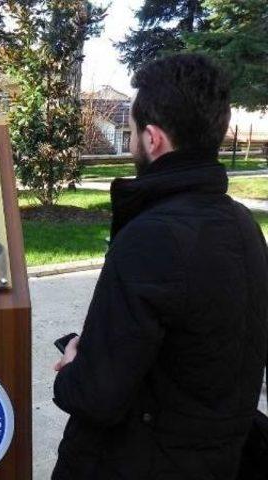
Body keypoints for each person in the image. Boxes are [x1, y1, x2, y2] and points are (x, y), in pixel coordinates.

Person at [52, 54, 268, 479]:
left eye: (130, 132)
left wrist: (75, 366)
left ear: (153, 140)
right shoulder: (244, 225)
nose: (131, 141)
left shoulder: (151, 238)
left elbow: (97, 396)